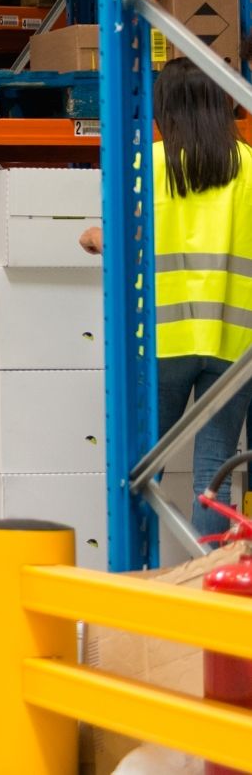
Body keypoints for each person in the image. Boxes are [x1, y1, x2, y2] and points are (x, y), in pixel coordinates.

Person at [80, 57, 252, 536]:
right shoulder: (251, 170)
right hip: (233, 344)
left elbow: (115, 241)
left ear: (164, 107)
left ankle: (139, 575)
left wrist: (92, 236)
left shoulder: (145, 166)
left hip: (162, 341)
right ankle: (205, 580)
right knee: (214, 472)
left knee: (142, 470)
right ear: (224, 104)